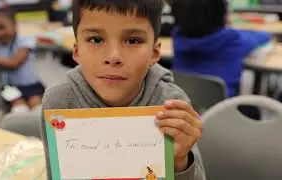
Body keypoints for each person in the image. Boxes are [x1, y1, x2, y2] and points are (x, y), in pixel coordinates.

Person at [42, 0, 205, 179]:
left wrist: (180, 161)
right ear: (77, 51)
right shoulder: (59, 102)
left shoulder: (171, 104)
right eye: (95, 39)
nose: (113, 57)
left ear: (154, 53)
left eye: (133, 40)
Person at [170, 0, 272, 97]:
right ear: (221, 13)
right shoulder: (231, 39)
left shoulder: (177, 36)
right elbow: (263, 36)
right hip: (222, 111)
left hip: (183, 108)